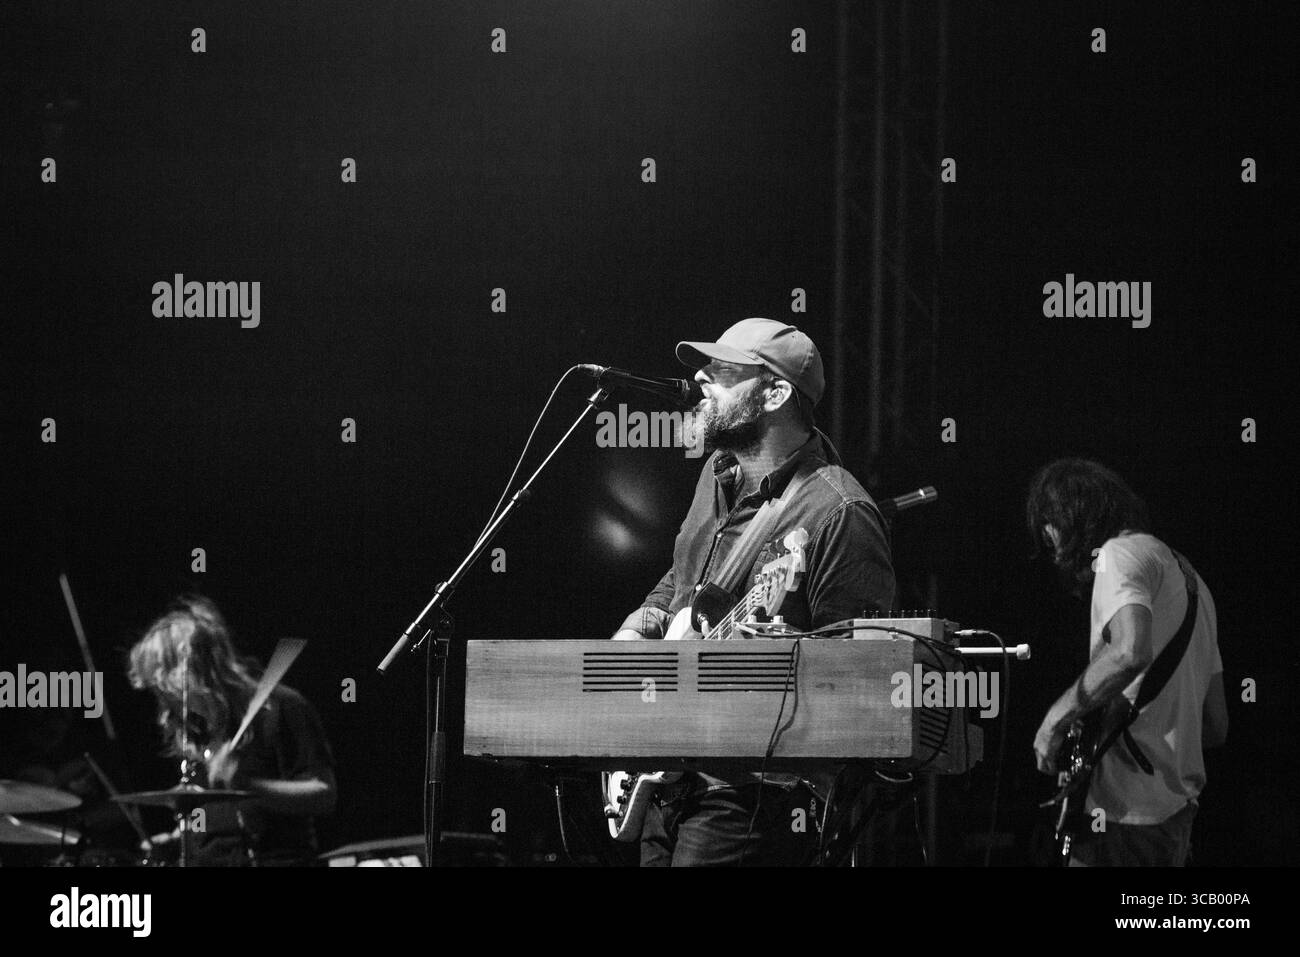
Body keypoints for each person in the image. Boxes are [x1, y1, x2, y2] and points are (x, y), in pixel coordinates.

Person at [612, 317, 895, 866]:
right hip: (670, 780)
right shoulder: (718, 472)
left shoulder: (838, 511)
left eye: (721, 369)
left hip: (753, 796)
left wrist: (781, 654)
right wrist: (639, 624)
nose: (699, 378)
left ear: (776, 392)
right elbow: (683, 580)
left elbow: (867, 676)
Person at [1027, 459, 1228, 866]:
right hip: (1174, 818)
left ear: (1068, 516)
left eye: (1048, 529)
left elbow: (1129, 652)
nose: (1050, 548)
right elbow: (1215, 725)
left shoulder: (1117, 555)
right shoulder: (1193, 581)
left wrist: (1054, 722)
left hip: (1121, 816)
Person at [127, 595, 336, 866]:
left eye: (162, 678)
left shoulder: (283, 707)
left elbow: (324, 795)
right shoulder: (197, 730)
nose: (160, 696)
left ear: (196, 665)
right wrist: (177, 838)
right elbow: (215, 816)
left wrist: (247, 785)